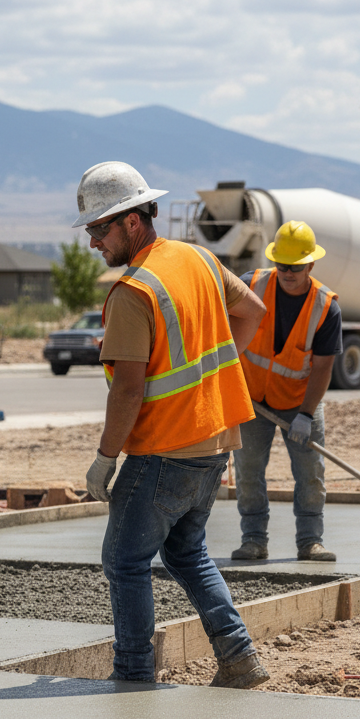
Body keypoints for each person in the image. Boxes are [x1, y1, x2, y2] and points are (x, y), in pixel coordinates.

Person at [79, 161, 270, 687]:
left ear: (132, 222)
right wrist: (216, 377)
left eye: (99, 228)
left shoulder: (134, 292)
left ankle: (134, 673)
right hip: (213, 442)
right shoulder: (199, 259)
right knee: (187, 553)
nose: (93, 241)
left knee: (124, 561)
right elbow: (252, 311)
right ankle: (239, 659)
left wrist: (104, 459)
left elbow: (129, 389)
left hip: (162, 451)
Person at [231, 221, 342, 562]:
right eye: (282, 265)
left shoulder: (325, 308)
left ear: (310, 264)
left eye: (295, 267)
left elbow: (323, 367)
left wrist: (306, 415)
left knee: (310, 475)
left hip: (299, 403)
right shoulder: (250, 284)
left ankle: (310, 541)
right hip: (252, 400)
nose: (288, 273)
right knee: (248, 472)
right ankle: (253, 539)